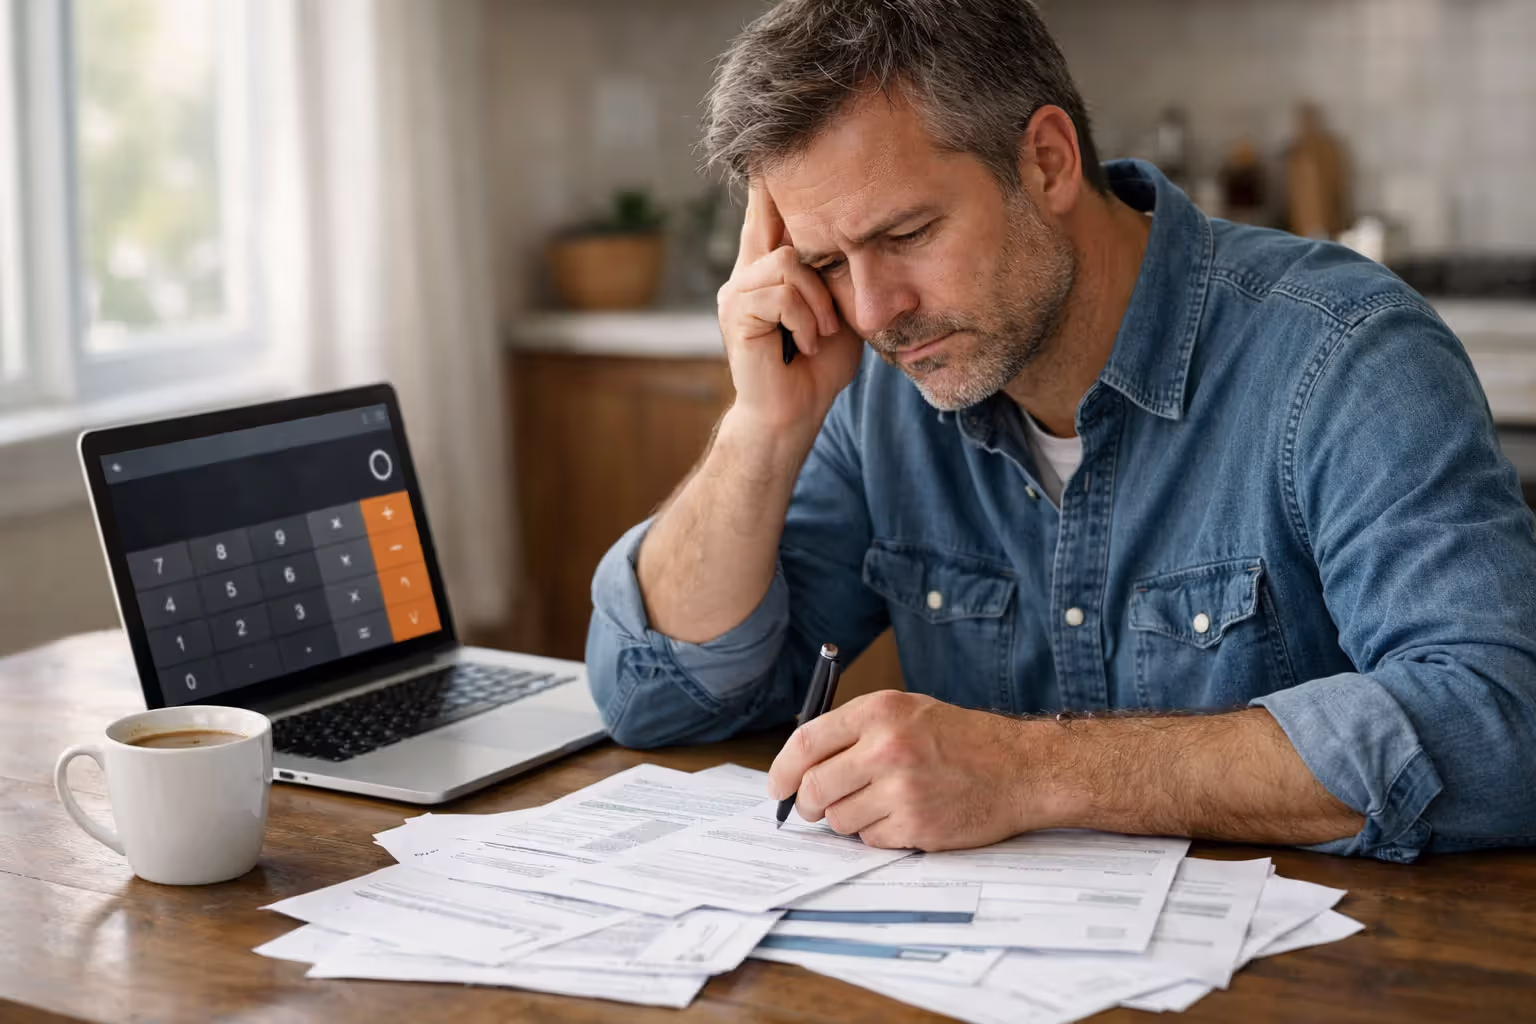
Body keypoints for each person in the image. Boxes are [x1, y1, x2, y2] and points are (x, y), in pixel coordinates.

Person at [584, 0, 1536, 862]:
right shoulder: (880, 396)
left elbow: (1503, 725)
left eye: (908, 234)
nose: (874, 311)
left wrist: (1031, 770)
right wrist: (762, 428)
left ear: (1046, 161)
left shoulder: (1343, 357)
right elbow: (654, 697)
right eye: (828, 262)